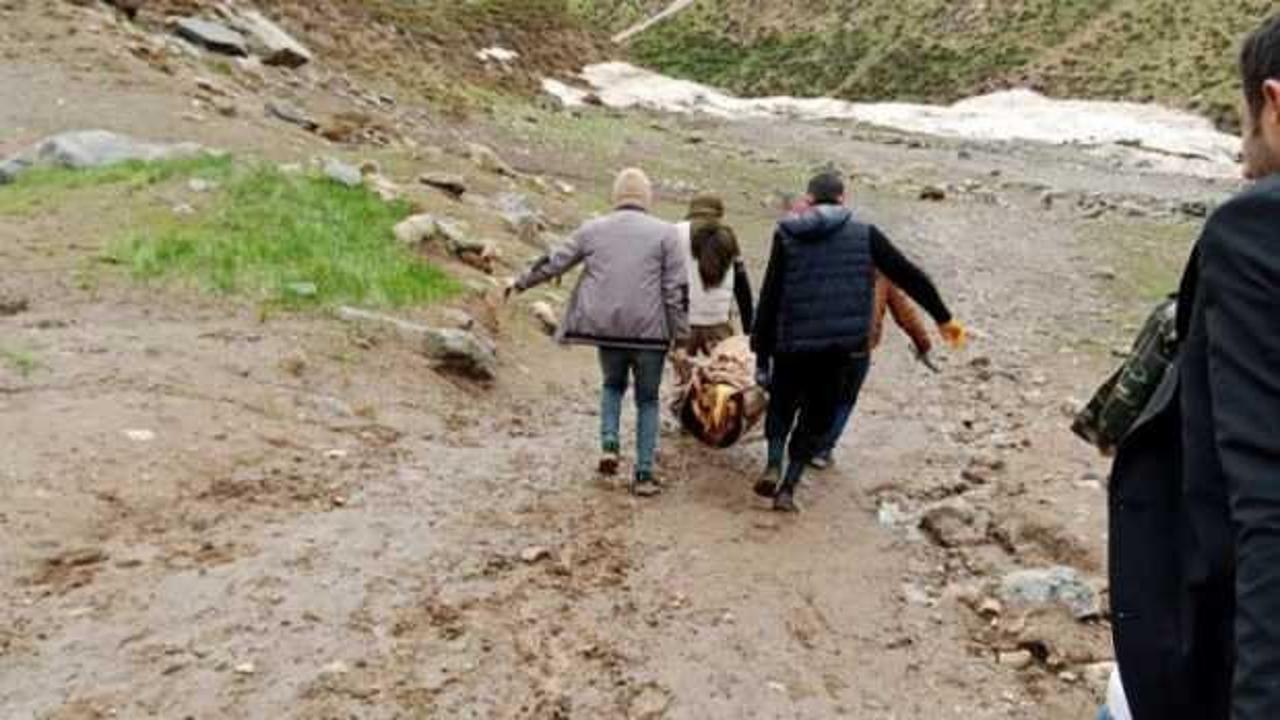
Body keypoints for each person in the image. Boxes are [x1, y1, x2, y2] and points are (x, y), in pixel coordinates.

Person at [1107, 14, 1280, 719]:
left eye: (1245, 123)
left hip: (1233, 662)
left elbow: (1270, 505)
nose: (1243, 159)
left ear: (1274, 103)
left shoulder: (1256, 232)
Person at [751, 170, 964, 512]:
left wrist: (761, 353)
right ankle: (788, 488)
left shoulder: (787, 234)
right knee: (814, 418)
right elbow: (907, 274)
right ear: (842, 198)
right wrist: (943, 317)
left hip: (791, 345)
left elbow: (771, 295)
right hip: (839, 350)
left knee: (782, 407)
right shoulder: (865, 235)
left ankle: (772, 463)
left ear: (809, 199)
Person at [508, 168, 687, 498]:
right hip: (651, 335)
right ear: (648, 197)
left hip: (608, 331)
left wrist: (519, 283)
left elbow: (555, 261)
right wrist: (682, 337)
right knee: (648, 400)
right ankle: (644, 474)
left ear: (616, 196)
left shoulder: (593, 229)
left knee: (612, 385)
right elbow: (675, 290)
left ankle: (609, 444)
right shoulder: (666, 234)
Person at [675, 194, 754, 357]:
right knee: (721, 377)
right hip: (719, 322)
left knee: (683, 380)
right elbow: (742, 286)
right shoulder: (727, 235)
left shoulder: (675, 232)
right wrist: (748, 329)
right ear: (719, 213)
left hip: (684, 325)